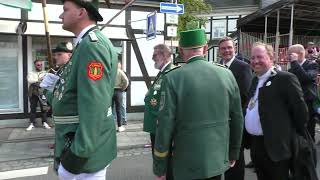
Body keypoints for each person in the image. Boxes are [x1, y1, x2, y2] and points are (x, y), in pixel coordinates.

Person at [153, 29, 244, 180]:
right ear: (205, 48)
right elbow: (237, 118)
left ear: (181, 51)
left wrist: (160, 165)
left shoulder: (173, 77)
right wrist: (234, 152)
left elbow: (164, 125)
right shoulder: (226, 74)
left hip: (186, 161)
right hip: (217, 159)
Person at [42, 0, 118, 179]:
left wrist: (76, 156)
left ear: (81, 12)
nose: (61, 15)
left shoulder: (92, 46)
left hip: (82, 152)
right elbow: (68, 97)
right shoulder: (83, 44)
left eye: (65, 10)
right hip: (72, 140)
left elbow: (94, 106)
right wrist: (50, 89)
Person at [245, 42, 308, 180]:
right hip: (257, 145)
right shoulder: (255, 80)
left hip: (276, 147)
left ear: (271, 58)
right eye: (253, 58)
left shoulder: (285, 79)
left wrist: (287, 136)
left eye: (260, 57)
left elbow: (301, 113)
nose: (255, 61)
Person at [218, 37, 252, 180]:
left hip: (235, 120)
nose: (227, 50)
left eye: (229, 47)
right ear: (219, 51)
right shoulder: (217, 66)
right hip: (220, 121)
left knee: (236, 159)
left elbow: (245, 95)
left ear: (235, 49)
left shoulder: (243, 67)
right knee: (223, 157)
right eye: (223, 48)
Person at [143, 44, 176, 180]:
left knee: (165, 159)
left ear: (163, 55)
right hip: (155, 125)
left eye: (155, 55)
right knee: (159, 158)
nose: (152, 58)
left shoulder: (170, 72)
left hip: (161, 125)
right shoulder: (162, 72)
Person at [288, 44, 319, 141]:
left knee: (308, 134)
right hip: (294, 104)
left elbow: (305, 77)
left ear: (300, 54)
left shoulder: (312, 65)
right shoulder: (292, 68)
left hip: (308, 104)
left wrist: (294, 62)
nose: (288, 57)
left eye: (290, 54)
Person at [26, 59, 51, 131]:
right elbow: (30, 80)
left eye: (41, 64)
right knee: (33, 108)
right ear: (35, 65)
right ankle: (32, 123)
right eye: (38, 65)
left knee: (44, 108)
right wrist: (39, 79)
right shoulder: (31, 73)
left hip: (42, 92)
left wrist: (37, 80)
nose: (39, 66)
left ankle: (44, 122)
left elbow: (47, 81)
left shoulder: (44, 72)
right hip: (33, 92)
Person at [113, 61, 129, 132]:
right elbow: (126, 81)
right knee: (118, 109)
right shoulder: (120, 71)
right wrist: (123, 88)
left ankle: (110, 126)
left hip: (110, 91)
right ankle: (119, 127)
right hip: (118, 91)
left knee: (109, 109)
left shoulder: (110, 71)